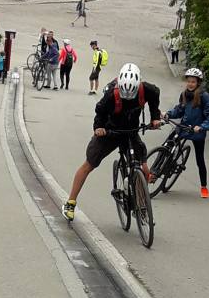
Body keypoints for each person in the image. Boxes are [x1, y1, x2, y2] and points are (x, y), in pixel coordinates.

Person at [62, 63, 162, 221]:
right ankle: (70, 202)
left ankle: (141, 205)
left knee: (142, 167)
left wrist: (155, 117)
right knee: (90, 163)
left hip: (130, 131)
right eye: (124, 94)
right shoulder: (110, 94)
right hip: (110, 131)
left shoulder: (147, 89)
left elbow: (155, 96)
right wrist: (99, 127)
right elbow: (99, 111)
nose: (127, 97)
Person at [161, 68, 209, 198]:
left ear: (198, 83)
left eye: (193, 81)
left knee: (200, 159)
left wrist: (203, 126)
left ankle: (204, 187)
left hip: (197, 131)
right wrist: (168, 114)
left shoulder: (204, 96)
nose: (190, 84)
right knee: (167, 145)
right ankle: (155, 172)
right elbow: (180, 110)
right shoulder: (184, 94)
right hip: (183, 127)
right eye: (189, 81)